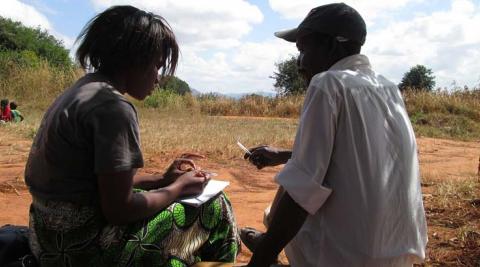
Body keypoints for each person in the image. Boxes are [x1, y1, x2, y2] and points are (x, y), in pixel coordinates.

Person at [24, 5, 239, 267]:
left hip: (47, 240)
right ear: (135, 59)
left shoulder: (81, 91)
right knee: (215, 205)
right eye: (156, 67)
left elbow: (99, 183)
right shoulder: (113, 107)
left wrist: (161, 179)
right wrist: (177, 188)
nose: (157, 79)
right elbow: (119, 209)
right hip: (84, 250)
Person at [242, 3, 427, 267]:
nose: (299, 63)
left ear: (331, 46)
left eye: (303, 50)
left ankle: (268, 249)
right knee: (296, 170)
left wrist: (259, 261)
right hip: (397, 251)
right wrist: (282, 155)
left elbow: (301, 193)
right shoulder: (388, 88)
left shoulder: (328, 83)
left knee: (290, 189)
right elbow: (356, 155)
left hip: (345, 256)